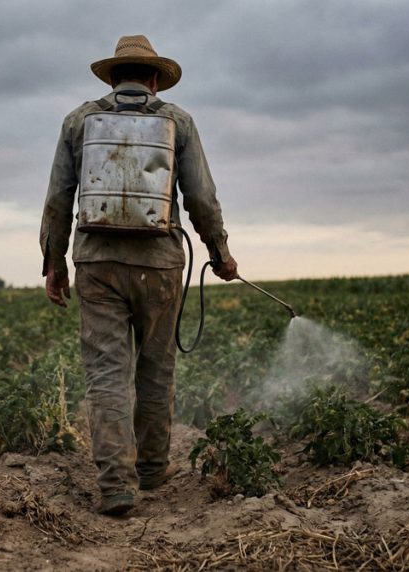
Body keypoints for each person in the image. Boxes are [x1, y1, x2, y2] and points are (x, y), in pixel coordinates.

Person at [39, 35, 238, 516]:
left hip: (97, 263)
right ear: (154, 79)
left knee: (106, 376)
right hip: (160, 266)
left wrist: (53, 262)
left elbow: (58, 200)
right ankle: (151, 469)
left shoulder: (79, 121)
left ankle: (116, 487)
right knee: (156, 369)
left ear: (113, 78)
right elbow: (203, 200)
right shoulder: (178, 122)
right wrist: (221, 252)